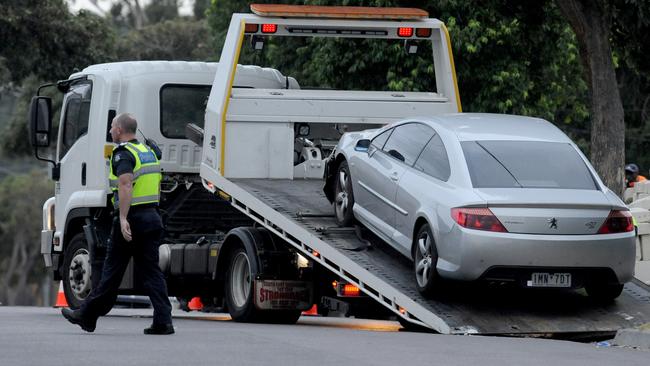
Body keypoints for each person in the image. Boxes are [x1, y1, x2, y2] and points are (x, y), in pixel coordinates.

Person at [61, 113, 174, 335]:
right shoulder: (147, 151)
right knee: (152, 272)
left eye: (112, 127)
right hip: (152, 217)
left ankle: (86, 316)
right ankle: (164, 321)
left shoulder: (123, 153)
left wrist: (123, 218)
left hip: (132, 220)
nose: (110, 131)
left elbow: (125, 185)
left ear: (120, 130)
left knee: (111, 273)